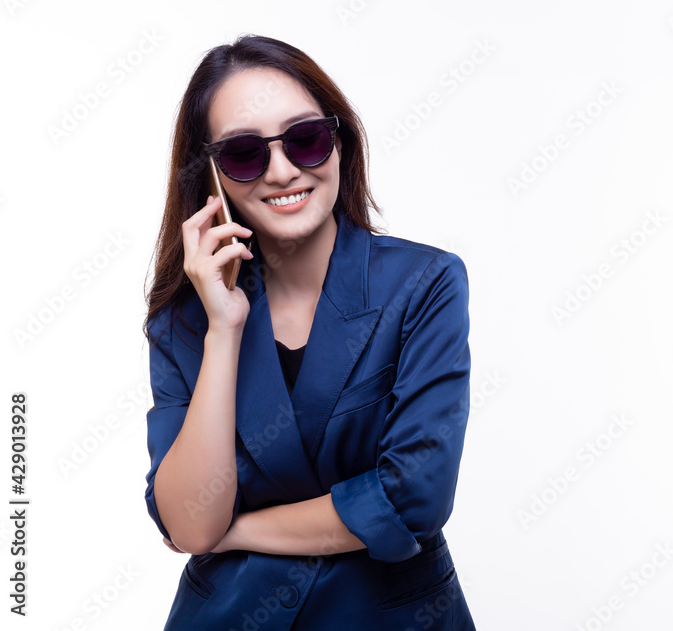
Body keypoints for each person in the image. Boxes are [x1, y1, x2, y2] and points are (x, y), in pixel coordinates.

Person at [141, 34, 475, 629]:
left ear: (339, 140)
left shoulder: (425, 284)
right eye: (245, 153)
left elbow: (414, 496)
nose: (283, 170)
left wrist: (237, 530)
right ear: (213, 176)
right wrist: (224, 328)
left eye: (306, 139)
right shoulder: (185, 321)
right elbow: (191, 524)